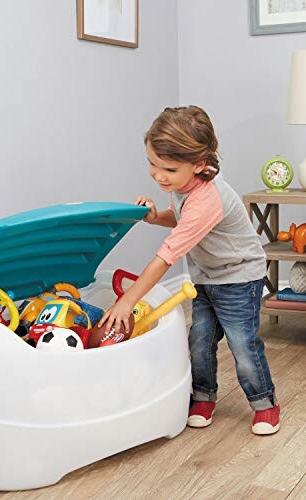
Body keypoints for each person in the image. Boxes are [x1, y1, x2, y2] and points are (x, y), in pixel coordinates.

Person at [98, 105, 280, 435]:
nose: (157, 175)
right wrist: (155, 217)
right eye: (152, 163)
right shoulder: (184, 187)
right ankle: (204, 396)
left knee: (242, 345)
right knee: (199, 340)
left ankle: (264, 402)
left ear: (199, 164)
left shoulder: (207, 197)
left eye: (168, 168)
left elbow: (167, 256)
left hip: (238, 278)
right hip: (207, 276)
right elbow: (180, 219)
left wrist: (127, 301)